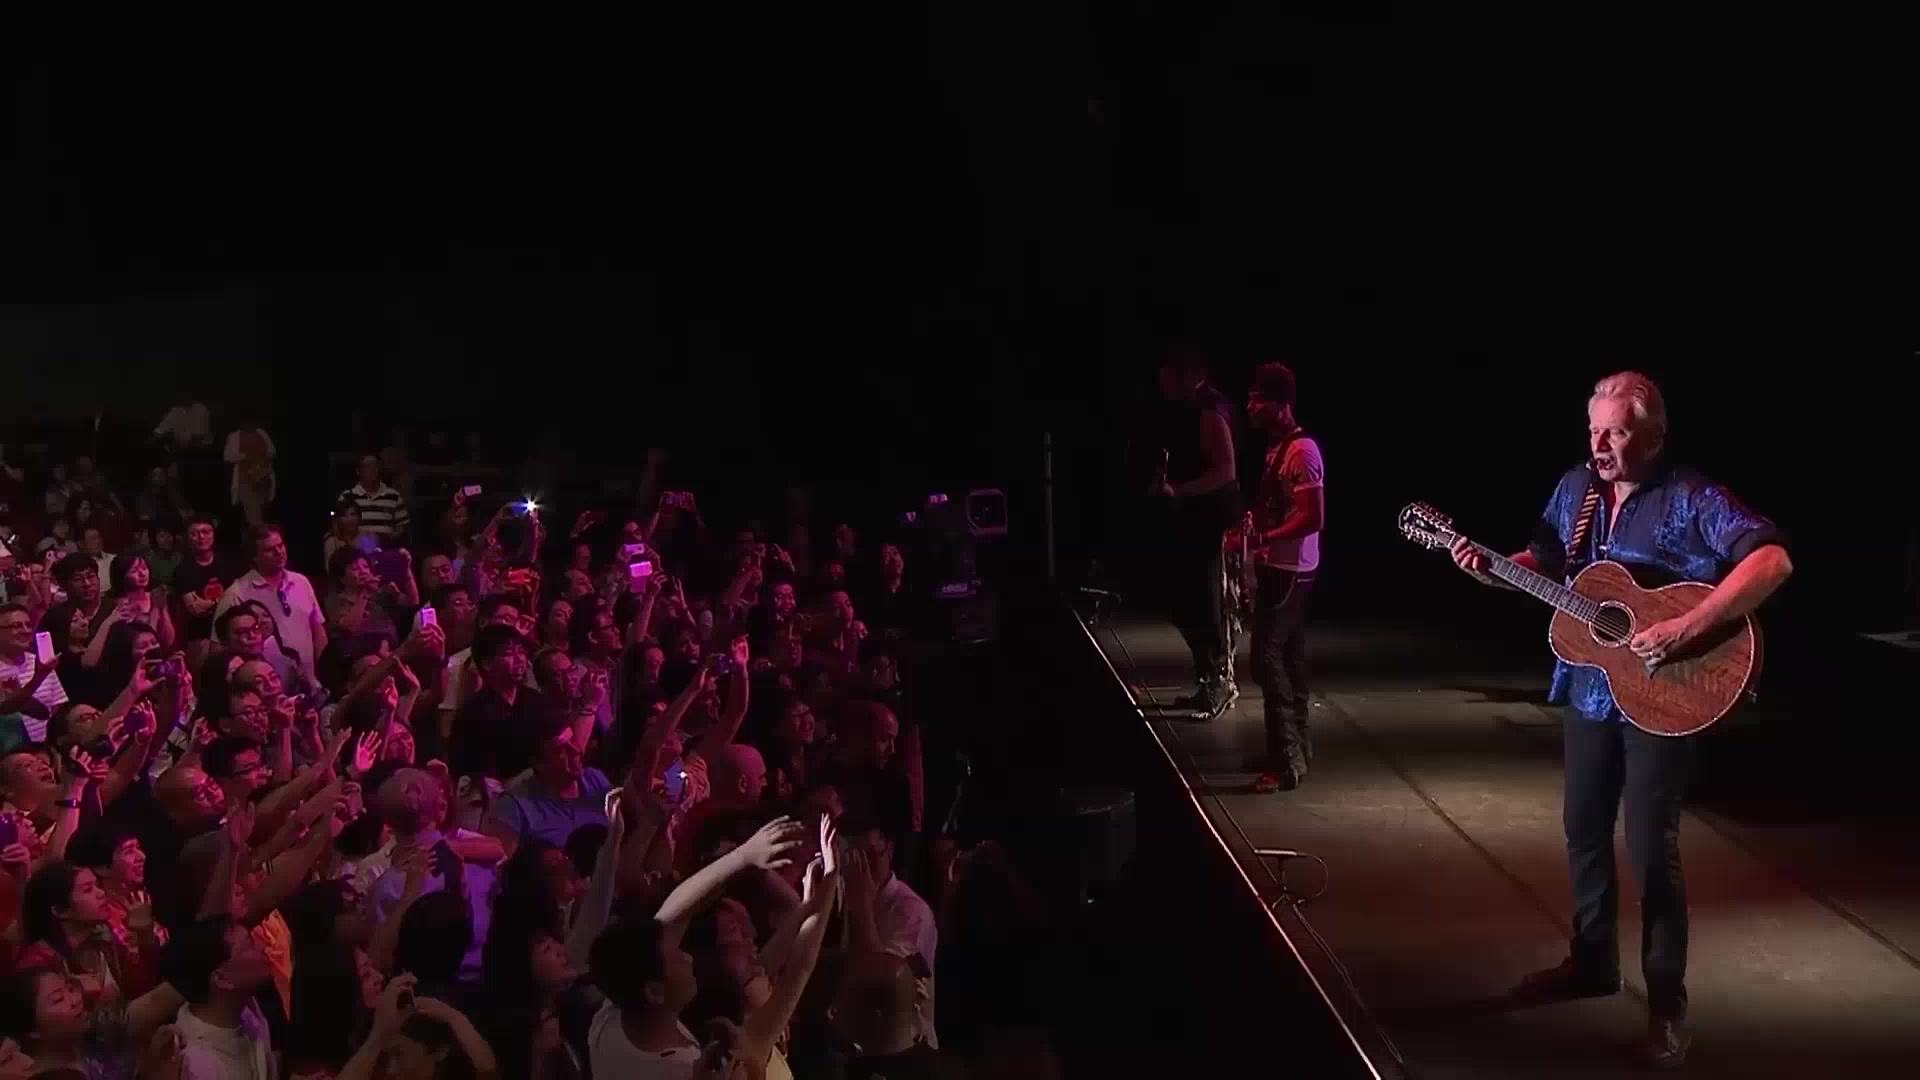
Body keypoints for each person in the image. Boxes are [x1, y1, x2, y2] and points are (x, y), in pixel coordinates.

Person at [1449, 370, 1793, 1069]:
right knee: (1582, 828)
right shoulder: (1575, 489)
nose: (1600, 444)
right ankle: (1592, 960)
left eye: (1616, 432)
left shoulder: (1691, 495)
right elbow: (1546, 562)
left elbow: (1773, 560)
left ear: (1655, 436)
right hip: (1590, 689)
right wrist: (1492, 568)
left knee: (1649, 848)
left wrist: (1687, 625)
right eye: (1594, 431)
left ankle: (1666, 1000)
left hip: (1666, 693)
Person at [1244, 363, 1325, 792]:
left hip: (1291, 570)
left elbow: (1312, 517)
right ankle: (1296, 748)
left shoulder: (1302, 451)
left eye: (1258, 399)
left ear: (1281, 405)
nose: (1250, 407)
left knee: (1266, 659)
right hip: (1281, 567)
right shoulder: (1279, 449)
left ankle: (1286, 759)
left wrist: (1263, 537)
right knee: (1290, 658)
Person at [1152, 346, 1241, 715]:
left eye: (1168, 376)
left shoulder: (1209, 411)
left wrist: (1181, 490)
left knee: (1206, 605)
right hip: (1193, 521)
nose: (1162, 384)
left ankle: (1217, 682)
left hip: (1210, 523)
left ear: (1188, 376)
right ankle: (1208, 679)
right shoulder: (1186, 409)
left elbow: (1226, 471)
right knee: (1187, 604)